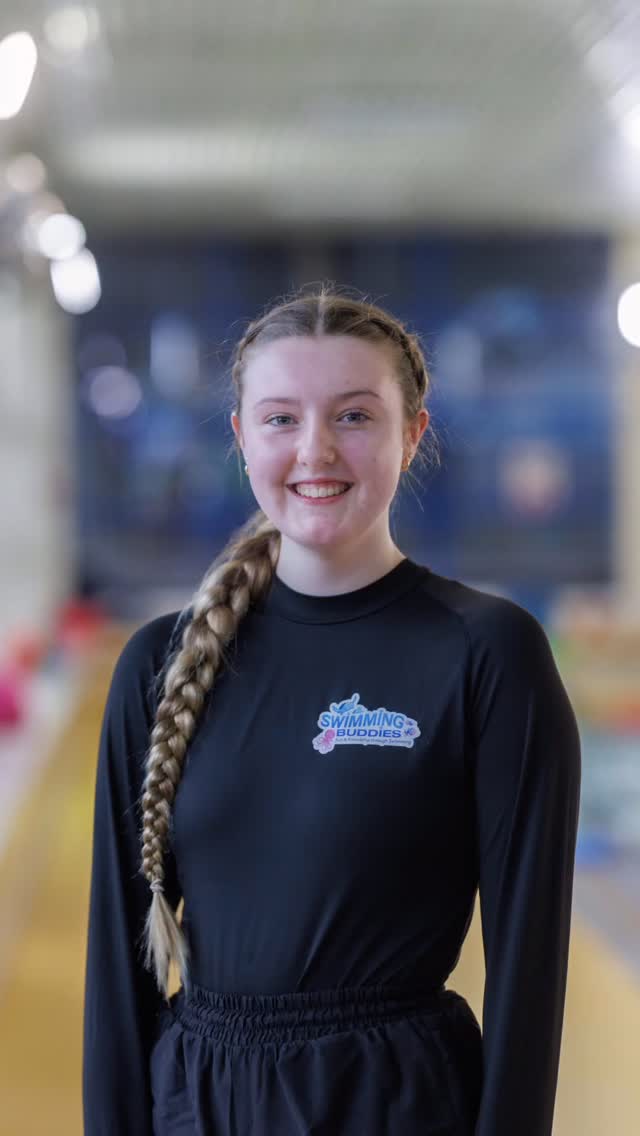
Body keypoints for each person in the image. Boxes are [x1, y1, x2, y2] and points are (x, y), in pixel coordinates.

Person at [82, 285, 581, 1135]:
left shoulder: (486, 654)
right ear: (242, 439)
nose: (315, 451)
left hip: (395, 1104)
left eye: (354, 416)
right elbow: (117, 987)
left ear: (412, 433)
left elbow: (530, 979)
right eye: (281, 419)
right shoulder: (158, 667)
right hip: (199, 1107)